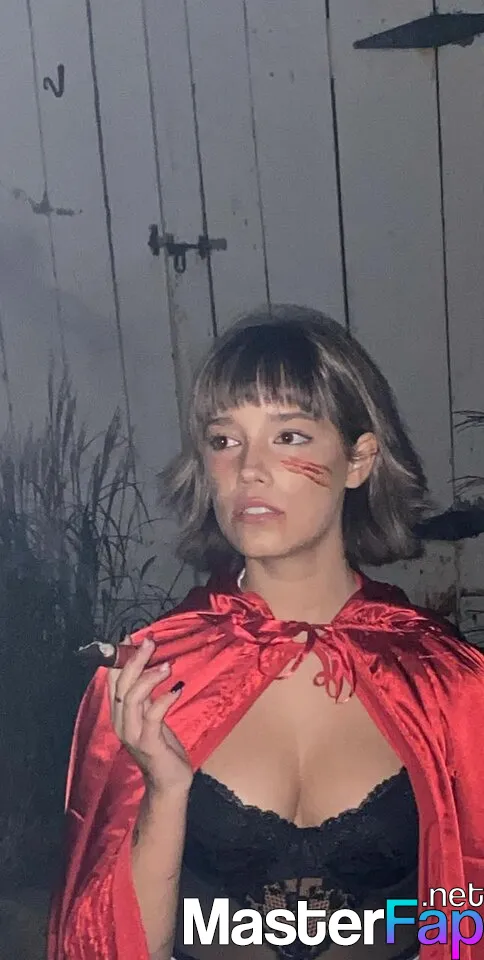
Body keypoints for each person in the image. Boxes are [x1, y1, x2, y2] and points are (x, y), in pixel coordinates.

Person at [48, 306, 484, 960]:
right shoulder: (152, 675)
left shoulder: (446, 682)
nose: (249, 468)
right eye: (225, 440)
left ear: (359, 459)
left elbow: (466, 913)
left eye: (289, 436)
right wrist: (166, 793)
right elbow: (111, 942)